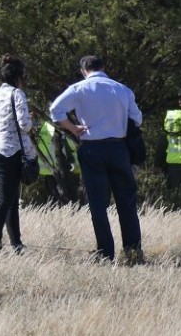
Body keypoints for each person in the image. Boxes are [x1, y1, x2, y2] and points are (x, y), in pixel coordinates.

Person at [49, 55, 145, 265]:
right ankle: (133, 252)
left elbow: (55, 110)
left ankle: (105, 253)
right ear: (103, 67)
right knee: (126, 202)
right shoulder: (121, 89)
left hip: (92, 148)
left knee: (98, 203)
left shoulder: (79, 89)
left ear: (84, 70)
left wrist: (74, 128)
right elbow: (137, 119)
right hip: (119, 148)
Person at [0, 55, 34, 254]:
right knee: (5, 200)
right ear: (19, 76)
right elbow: (24, 125)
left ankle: (17, 244)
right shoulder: (17, 94)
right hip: (9, 152)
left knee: (11, 200)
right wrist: (31, 122)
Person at [36, 121, 82, 205]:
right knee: (74, 201)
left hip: (49, 170)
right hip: (68, 171)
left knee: (55, 202)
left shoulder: (47, 125)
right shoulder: (68, 123)